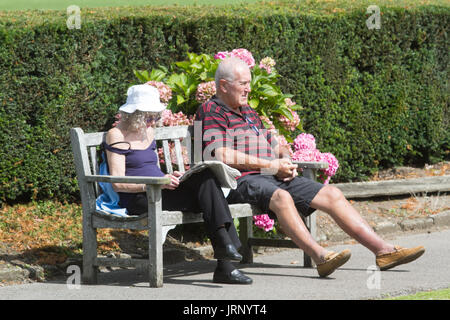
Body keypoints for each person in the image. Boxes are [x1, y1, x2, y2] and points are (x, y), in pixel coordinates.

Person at [195, 57, 425, 277]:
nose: (248, 89)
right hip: (238, 181)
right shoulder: (211, 110)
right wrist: (271, 165)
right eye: (243, 84)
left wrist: (284, 154)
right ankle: (321, 257)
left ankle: (383, 251)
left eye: (249, 83)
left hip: (270, 176)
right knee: (282, 197)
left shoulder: (247, 111)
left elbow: (272, 143)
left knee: (332, 193)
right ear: (223, 86)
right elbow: (219, 153)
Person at [104, 84, 252, 285]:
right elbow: (118, 183)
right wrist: (155, 185)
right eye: (148, 116)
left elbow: (150, 167)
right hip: (140, 196)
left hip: (162, 189)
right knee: (210, 195)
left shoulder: (148, 131)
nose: (152, 121)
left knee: (206, 176)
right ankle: (227, 258)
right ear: (133, 114)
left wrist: (170, 176)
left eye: (155, 116)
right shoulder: (116, 134)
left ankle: (226, 253)